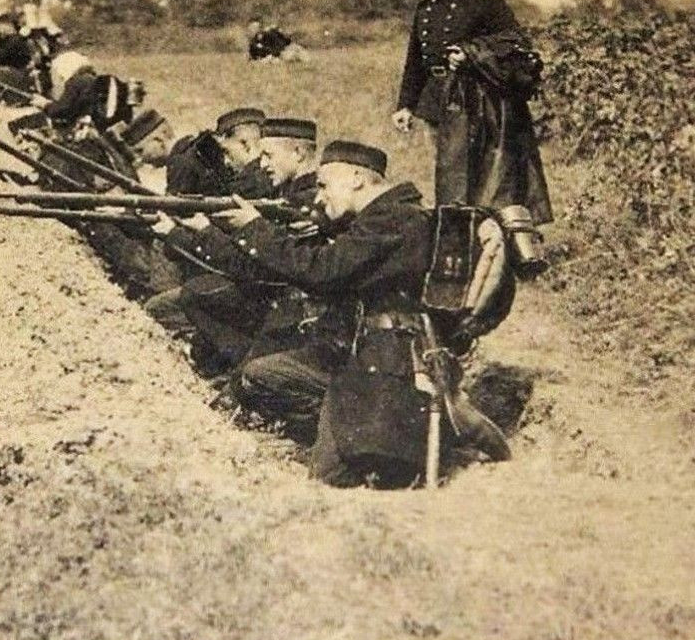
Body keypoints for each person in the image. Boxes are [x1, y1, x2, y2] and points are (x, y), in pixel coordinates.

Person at [200, 140, 508, 487]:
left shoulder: (393, 222)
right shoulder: (384, 218)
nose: (318, 197)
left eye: (323, 185)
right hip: (366, 360)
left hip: (394, 370)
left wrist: (253, 227)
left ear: (358, 178)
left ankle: (447, 430)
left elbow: (323, 271)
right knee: (261, 375)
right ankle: (353, 433)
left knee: (330, 476)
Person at [391, 0, 553, 235]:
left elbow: (514, 44)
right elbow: (415, 62)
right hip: (437, 104)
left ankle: (501, 241)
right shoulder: (424, 10)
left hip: (482, 105)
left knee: (490, 178)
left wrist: (471, 54)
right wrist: (406, 105)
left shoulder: (487, 3)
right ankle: (458, 241)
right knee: (449, 177)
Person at [148, 118, 324, 374]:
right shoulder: (289, 194)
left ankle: (235, 369)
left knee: (184, 300)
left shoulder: (304, 204)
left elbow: (256, 267)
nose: (262, 164)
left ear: (297, 153)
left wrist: (192, 233)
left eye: (268, 155)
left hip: (279, 308)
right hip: (269, 300)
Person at [165, 107, 268, 197]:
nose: (226, 161)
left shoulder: (214, 161)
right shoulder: (191, 160)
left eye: (228, 153)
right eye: (225, 152)